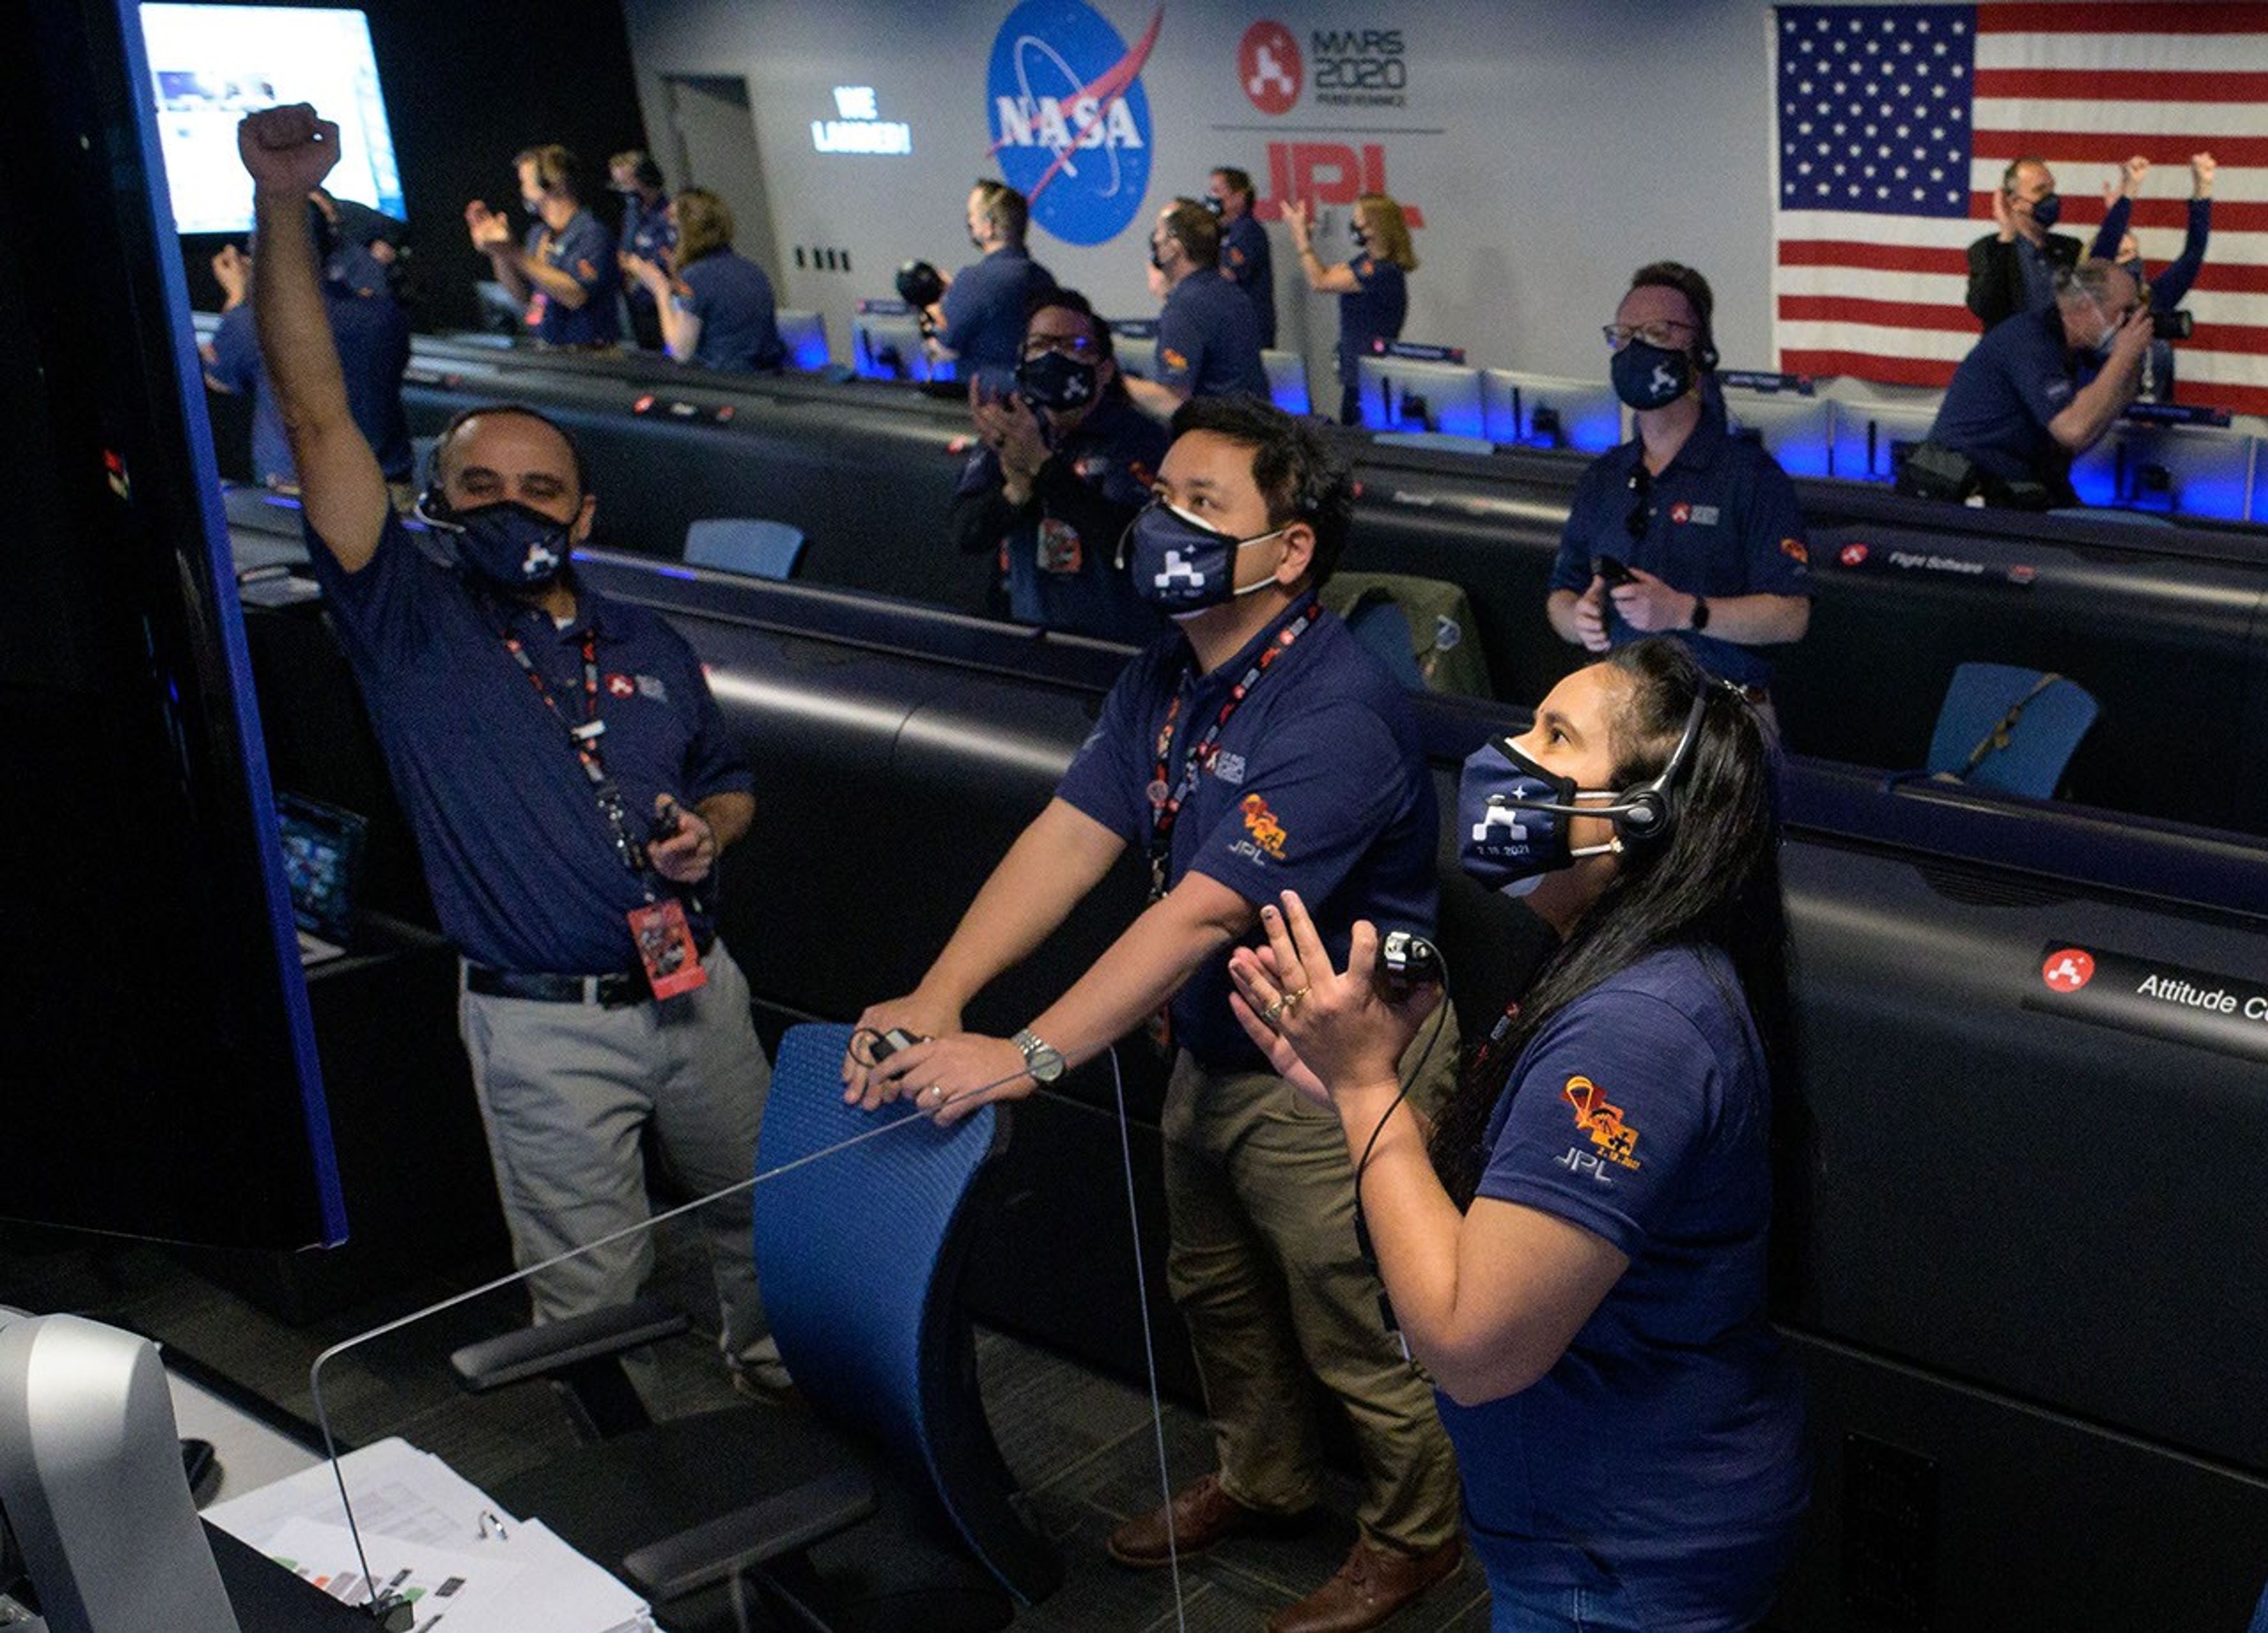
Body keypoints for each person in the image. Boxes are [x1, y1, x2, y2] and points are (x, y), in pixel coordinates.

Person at [847, 397, 1466, 1633]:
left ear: (1288, 551)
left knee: (1354, 1317)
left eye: (1202, 504)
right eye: (1160, 493)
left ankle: (1416, 1538)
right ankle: (1265, 1476)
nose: (1159, 523)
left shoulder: (1335, 707)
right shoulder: (1168, 674)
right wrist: (942, 989)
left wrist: (1025, 1051)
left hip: (1335, 1058)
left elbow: (1195, 913)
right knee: (1215, 1287)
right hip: (1217, 1032)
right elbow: (1068, 838)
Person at [237, 104, 779, 1393]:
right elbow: (315, 418)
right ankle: (636, 1502)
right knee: (592, 1293)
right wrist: (279, 206)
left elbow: (731, 781)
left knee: (766, 1227)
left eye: (543, 491)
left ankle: (773, 1378)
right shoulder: (407, 616)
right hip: (543, 1027)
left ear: (583, 512)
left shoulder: (643, 634)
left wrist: (713, 831)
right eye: (482, 487)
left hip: (702, 994)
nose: (515, 508)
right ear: (435, 497)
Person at [1226, 637, 1811, 1632]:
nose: (1510, 752)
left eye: (1555, 736)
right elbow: (1510, 1223)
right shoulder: (1615, 964)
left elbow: (1472, 1344)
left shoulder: (1637, 1029)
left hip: (1620, 1555)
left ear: (1637, 819)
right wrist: (1351, 1089)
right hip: (1608, 1527)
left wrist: (1369, 1086)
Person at [1545, 263, 1811, 715]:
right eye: (1625, 335)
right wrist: (1578, 620)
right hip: (1621, 710)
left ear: (1698, 350)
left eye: (1658, 332)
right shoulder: (1605, 476)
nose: (1636, 349)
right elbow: (1561, 594)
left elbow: (1791, 616)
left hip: (1723, 716)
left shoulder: (1751, 477)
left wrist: (1686, 612)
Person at [948, 288, 1167, 642]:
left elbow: (1135, 547)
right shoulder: (1014, 427)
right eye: (1040, 345)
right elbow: (966, 534)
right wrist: (1015, 491)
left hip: (1114, 645)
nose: (1053, 357)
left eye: (1073, 346)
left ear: (1105, 369)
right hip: (1028, 635)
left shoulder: (1138, 438)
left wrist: (1044, 468)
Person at [202, 204, 412, 502]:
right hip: (389, 490)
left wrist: (238, 296)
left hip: (295, 497)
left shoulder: (252, 322)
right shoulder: (385, 316)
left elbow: (220, 379)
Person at [1910, 258, 2152, 510]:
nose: (2130, 322)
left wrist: (2128, 369)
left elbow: (2076, 441)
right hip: (1964, 490)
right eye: (2124, 312)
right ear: (2084, 307)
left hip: (2017, 485)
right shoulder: (2030, 341)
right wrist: (2123, 357)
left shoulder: (2078, 353)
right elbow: (2073, 430)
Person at [466, 143, 621, 349]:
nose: (522, 189)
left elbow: (575, 295)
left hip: (590, 355)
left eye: (526, 182)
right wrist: (499, 252)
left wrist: (513, 251)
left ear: (555, 182)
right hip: (549, 350)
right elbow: (523, 297)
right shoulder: (538, 234)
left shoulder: (592, 233)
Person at [1126, 200, 1270, 420]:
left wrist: (1112, 381)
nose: (1154, 241)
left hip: (1217, 439)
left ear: (1174, 249)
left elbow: (1174, 402)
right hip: (1251, 430)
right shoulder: (1232, 294)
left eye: (1159, 236)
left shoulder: (1184, 307)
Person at [2091, 152, 2216, 404]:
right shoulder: (2092, 308)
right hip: (2102, 431)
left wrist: (2203, 188)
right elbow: (2103, 256)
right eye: (2120, 255)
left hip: (2154, 429)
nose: (2128, 262)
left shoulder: (2155, 299)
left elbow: (2193, 255)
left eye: (2131, 253)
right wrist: (2128, 193)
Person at [1282, 193, 1416, 426]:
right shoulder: (1366, 261)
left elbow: (1320, 282)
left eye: (1359, 220)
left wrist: (1302, 241)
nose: (1353, 226)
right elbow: (1328, 274)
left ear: (1374, 227)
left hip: (1370, 380)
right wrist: (1307, 244)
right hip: (1356, 374)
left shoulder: (1383, 272)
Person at [624, 189, 785, 374]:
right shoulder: (751, 269)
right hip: (765, 380)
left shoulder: (696, 277)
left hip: (725, 384)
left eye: (674, 223)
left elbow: (680, 351)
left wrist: (660, 289)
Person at [930, 179, 1056, 392]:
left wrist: (937, 307)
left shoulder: (975, 280)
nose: (969, 224)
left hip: (985, 406)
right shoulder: (1044, 278)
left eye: (971, 217)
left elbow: (943, 350)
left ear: (988, 228)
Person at [1967, 156, 2084, 330]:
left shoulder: (2071, 248)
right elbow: (1985, 306)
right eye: (2040, 191)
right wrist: (2007, 235)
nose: (2051, 198)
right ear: (2015, 202)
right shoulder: (1987, 249)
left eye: (2052, 189)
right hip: (2014, 354)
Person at [610, 149, 676, 351]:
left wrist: (636, 266)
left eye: (627, 183)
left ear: (647, 179)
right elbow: (624, 255)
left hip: (664, 305)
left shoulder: (670, 215)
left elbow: (668, 261)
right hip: (638, 306)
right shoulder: (632, 214)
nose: (624, 191)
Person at [1209, 166, 1276, 348]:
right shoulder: (1223, 233)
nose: (1212, 199)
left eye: (1217, 191)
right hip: (1229, 328)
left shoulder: (1247, 230)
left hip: (1248, 331)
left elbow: (1229, 273)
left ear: (1238, 197)